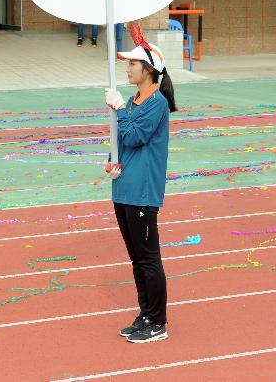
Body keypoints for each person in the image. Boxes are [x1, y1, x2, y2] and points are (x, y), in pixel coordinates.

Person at [104, 32, 178, 343]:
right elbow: (123, 140)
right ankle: (145, 313)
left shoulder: (156, 103)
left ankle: (158, 321)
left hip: (142, 193)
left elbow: (135, 136)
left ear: (148, 69)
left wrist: (119, 110)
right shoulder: (135, 101)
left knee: (148, 258)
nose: (127, 68)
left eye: (132, 63)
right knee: (136, 258)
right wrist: (112, 161)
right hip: (123, 189)